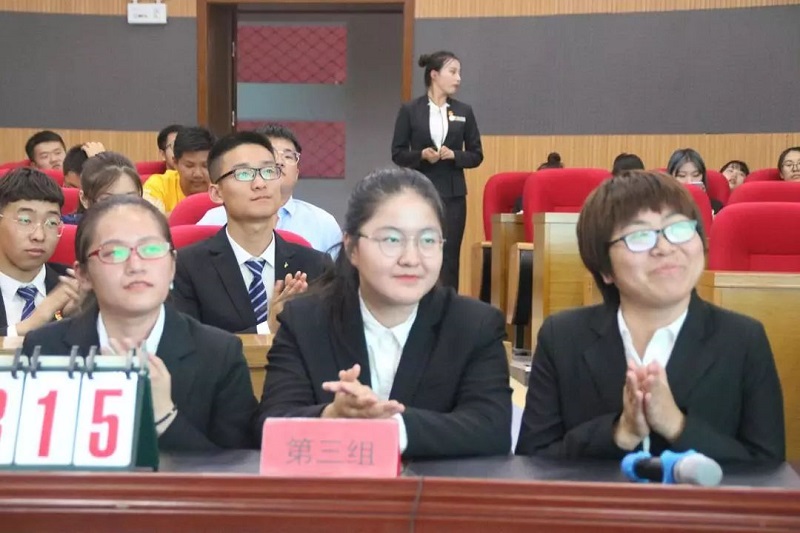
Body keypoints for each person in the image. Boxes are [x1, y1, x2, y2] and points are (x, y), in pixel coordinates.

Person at [515, 171, 784, 462]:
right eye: (640, 236)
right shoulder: (563, 337)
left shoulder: (743, 339)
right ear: (605, 269)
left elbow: (767, 468)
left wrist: (677, 426)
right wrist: (620, 432)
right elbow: (533, 461)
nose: (665, 248)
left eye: (678, 228)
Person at [256, 167, 511, 459]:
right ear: (352, 247)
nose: (411, 258)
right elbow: (269, 425)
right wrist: (331, 416)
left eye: (428, 240)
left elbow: (492, 428)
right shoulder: (305, 322)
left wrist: (388, 428)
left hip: (431, 486)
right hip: (334, 484)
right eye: (391, 240)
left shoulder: (474, 325)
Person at [22, 196, 258, 451]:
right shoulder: (45, 348)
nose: (135, 266)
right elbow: (31, 455)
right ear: (83, 275)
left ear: (172, 266)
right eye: (114, 252)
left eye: (151, 250)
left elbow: (238, 466)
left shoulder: (220, 354)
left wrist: (164, 416)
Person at [172, 131, 329, 334]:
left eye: (269, 171)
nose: (260, 184)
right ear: (217, 193)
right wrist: (267, 328)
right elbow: (188, 345)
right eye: (244, 174)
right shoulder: (185, 268)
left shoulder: (316, 266)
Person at [391, 51, 483, 290]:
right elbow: (398, 153)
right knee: (418, 250)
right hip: (419, 192)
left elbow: (476, 155)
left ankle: (448, 304)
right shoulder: (411, 110)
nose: (458, 78)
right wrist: (421, 155)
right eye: (452, 72)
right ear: (434, 75)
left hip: (453, 194)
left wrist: (455, 155)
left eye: (459, 73)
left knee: (449, 254)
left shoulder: (464, 111)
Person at [197, 124, 342, 254]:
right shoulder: (212, 220)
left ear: (297, 172)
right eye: (272, 156)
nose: (279, 162)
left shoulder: (323, 224)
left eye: (288, 156)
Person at [0, 168, 82, 336]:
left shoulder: (74, 285)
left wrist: (77, 318)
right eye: (25, 220)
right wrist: (33, 322)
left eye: (51, 223)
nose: (39, 235)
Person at [143, 126, 215, 215]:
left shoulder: (222, 187)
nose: (198, 174)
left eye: (205, 166)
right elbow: (148, 218)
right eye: (189, 166)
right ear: (175, 163)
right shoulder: (159, 185)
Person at [62, 152, 143, 225]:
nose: (121, 210)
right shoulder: (63, 227)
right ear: (84, 199)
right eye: (107, 200)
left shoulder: (148, 228)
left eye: (130, 199)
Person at [666, 148, 723, 213]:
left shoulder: (716, 207)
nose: (689, 182)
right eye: (682, 175)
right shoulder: (661, 207)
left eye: (696, 175)